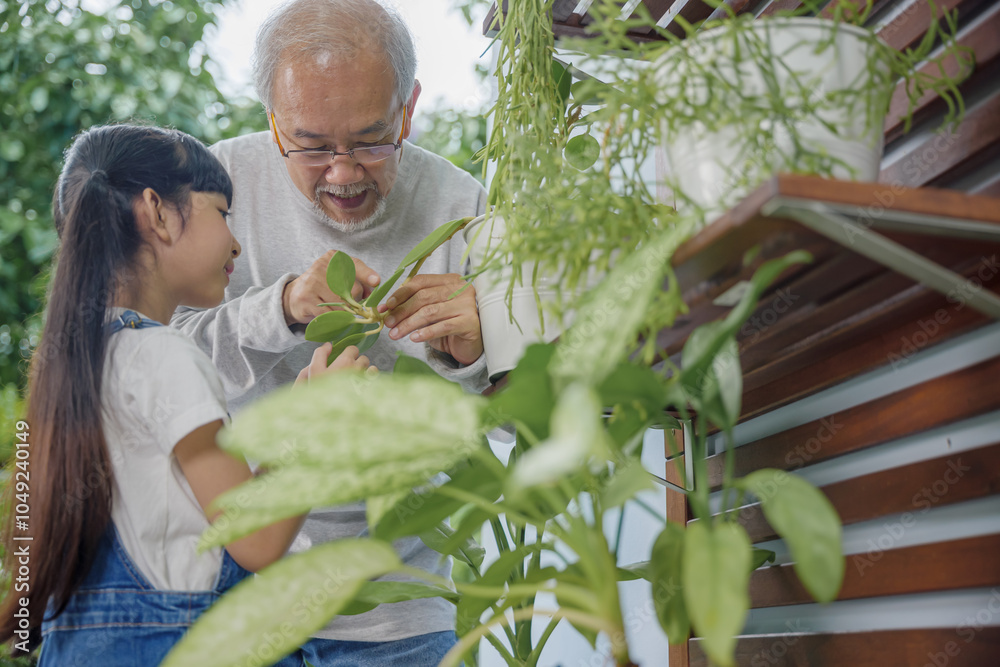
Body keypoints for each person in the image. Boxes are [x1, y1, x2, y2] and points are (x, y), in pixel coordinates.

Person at [170, 0, 489, 663]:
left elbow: (512, 423)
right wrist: (281, 308)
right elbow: (161, 366)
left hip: (403, 611)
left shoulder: (464, 211)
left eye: (372, 141)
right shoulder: (215, 191)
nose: (343, 174)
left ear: (408, 107)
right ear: (273, 122)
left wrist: (473, 358)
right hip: (239, 594)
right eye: (313, 146)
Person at [0, 124, 371, 666]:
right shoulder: (163, 356)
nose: (236, 242)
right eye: (221, 213)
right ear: (157, 212)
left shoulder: (77, 363)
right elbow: (258, 538)